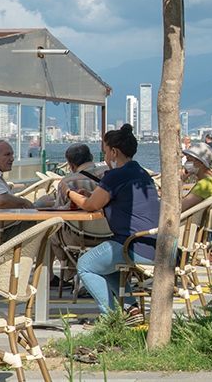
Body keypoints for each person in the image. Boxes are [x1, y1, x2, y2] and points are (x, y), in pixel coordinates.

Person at [68, 124, 160, 326]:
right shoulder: (140, 172)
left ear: (114, 152)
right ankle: (130, 308)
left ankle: (110, 317)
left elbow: (91, 205)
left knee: (85, 265)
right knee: (106, 267)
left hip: (133, 245)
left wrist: (68, 192)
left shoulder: (116, 175)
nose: (105, 157)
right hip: (152, 244)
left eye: (106, 152)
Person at [41, 143, 107, 286]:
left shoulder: (67, 182)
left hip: (79, 236)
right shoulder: (109, 174)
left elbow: (60, 212)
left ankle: (71, 273)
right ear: (91, 157)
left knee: (51, 233)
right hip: (109, 235)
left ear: (70, 165)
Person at [181, 142, 212, 212]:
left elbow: (179, 209)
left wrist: (180, 183)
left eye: (189, 160)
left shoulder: (204, 185)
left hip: (189, 222)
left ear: (201, 164)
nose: (186, 163)